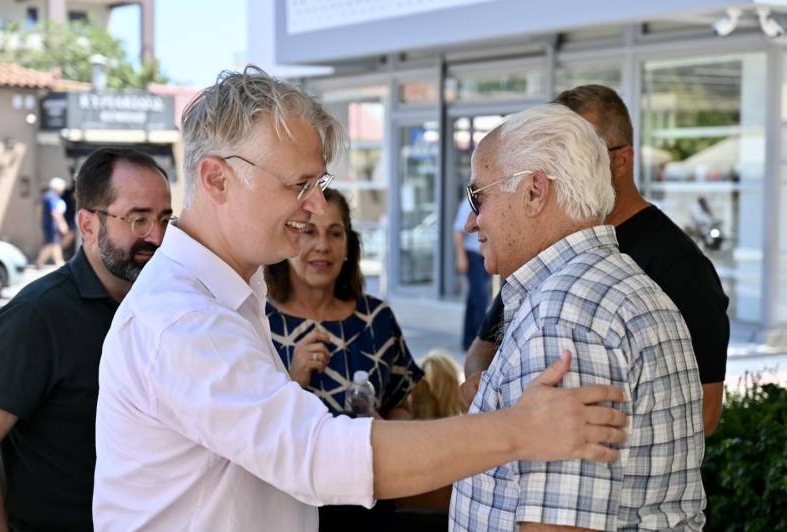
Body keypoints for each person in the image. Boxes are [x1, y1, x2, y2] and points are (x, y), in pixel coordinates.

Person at [92, 65, 629, 532]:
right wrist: (519, 430)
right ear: (217, 179)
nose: (315, 204)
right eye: (299, 184)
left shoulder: (223, 297)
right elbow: (318, 456)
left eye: (318, 183)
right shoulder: (183, 318)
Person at [450, 103, 705, 531]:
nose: (472, 222)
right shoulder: (608, 288)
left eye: (479, 196)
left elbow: (560, 524)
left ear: (534, 192)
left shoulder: (564, 317)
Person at [461, 84, 729, 436]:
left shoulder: (680, 267)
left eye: (583, 149)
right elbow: (484, 346)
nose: (566, 162)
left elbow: (702, 414)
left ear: (621, 160)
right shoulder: (546, 261)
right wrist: (494, 392)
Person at [0, 147, 172, 531]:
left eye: (164, 219)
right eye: (138, 219)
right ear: (87, 225)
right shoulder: (36, 317)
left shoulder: (167, 305)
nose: (156, 236)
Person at [266, 188, 423, 531]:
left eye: (335, 233)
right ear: (290, 238)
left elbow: (402, 405)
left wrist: (385, 427)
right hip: (286, 507)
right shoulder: (262, 322)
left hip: (369, 502)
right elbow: (253, 428)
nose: (323, 245)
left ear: (349, 245)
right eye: (309, 231)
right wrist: (294, 378)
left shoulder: (377, 318)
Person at [454, 196, 491, 351]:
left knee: (473, 300)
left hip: (484, 256)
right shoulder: (468, 202)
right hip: (473, 257)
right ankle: (482, 345)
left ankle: (468, 341)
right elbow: (458, 232)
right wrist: (461, 257)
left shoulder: (487, 200)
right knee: (481, 300)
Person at [35, 176, 70, 268]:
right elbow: (55, 212)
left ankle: (58, 261)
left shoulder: (49, 196)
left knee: (55, 243)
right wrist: (62, 224)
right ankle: (41, 262)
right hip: (52, 225)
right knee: (51, 243)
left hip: (50, 224)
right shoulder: (51, 197)